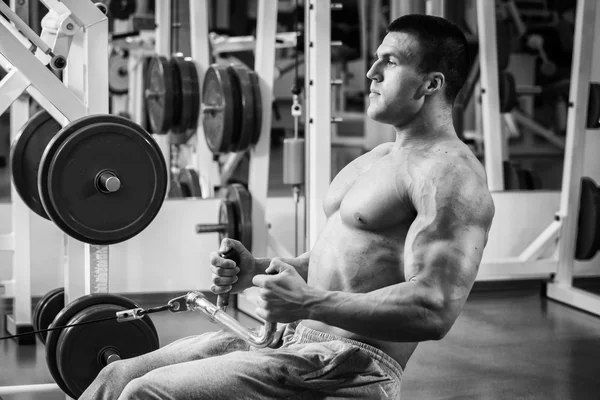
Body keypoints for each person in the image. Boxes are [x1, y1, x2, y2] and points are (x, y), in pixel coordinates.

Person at [81, 14, 494, 400]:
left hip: (349, 364)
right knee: (114, 377)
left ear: (431, 84)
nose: (371, 73)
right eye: (375, 59)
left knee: (147, 393)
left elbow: (433, 307)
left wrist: (308, 303)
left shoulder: (451, 176)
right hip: (289, 341)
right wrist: (257, 270)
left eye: (390, 61)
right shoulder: (379, 158)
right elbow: (346, 266)